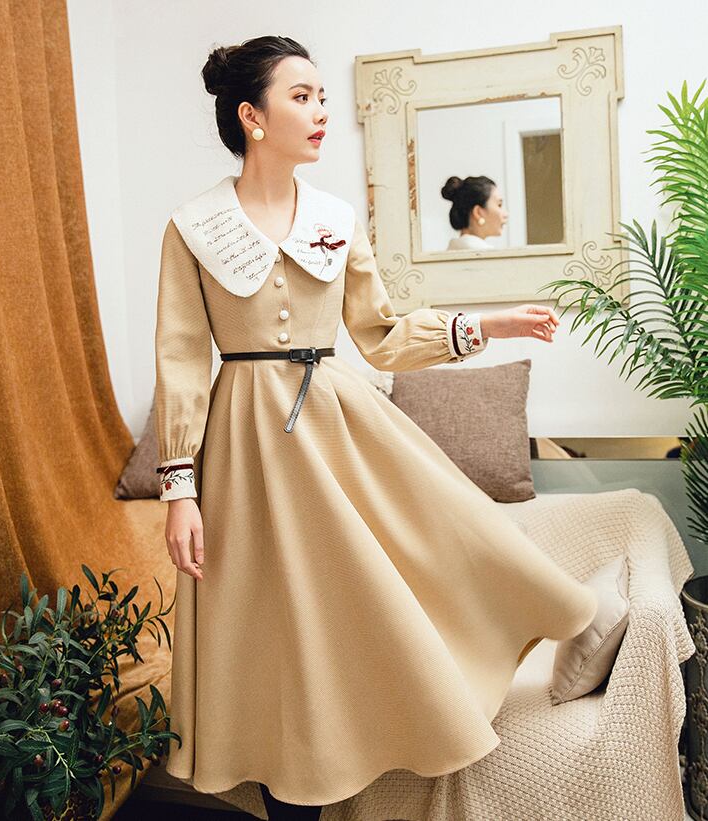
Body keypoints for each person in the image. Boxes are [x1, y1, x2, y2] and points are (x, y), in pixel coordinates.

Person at [153, 35, 599, 819]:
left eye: (324, 97)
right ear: (252, 117)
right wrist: (179, 491)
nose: (321, 111)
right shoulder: (192, 227)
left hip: (336, 422)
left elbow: (382, 336)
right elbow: (182, 360)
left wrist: (489, 324)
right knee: (271, 632)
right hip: (243, 451)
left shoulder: (335, 218)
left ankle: (575, 615)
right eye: (302, 97)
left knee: (447, 527)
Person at [442, 175, 508, 250]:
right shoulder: (486, 253)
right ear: (478, 213)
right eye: (499, 205)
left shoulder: (453, 249)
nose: (506, 214)